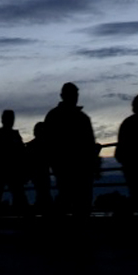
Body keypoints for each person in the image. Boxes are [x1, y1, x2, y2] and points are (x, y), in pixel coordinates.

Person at [44, 83, 99, 218]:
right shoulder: (82, 118)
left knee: (68, 199)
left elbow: (47, 142)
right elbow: (90, 143)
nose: (75, 97)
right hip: (76, 167)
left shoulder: (53, 115)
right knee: (79, 202)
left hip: (67, 167)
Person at [0, 110, 28, 215]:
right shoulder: (11, 135)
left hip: (4, 170)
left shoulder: (1, 134)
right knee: (17, 195)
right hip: (9, 170)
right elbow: (20, 151)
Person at [24, 121, 53, 213]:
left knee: (42, 192)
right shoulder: (47, 144)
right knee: (44, 192)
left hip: (36, 173)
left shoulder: (31, 145)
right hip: (42, 172)